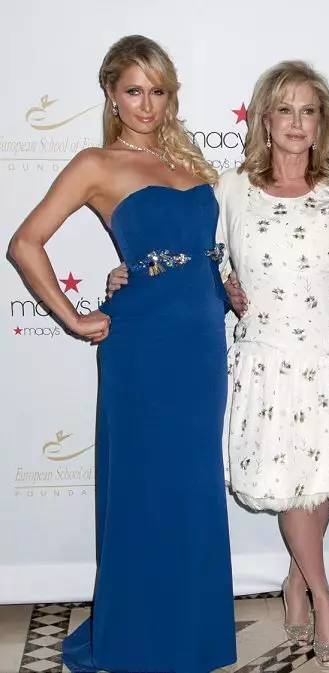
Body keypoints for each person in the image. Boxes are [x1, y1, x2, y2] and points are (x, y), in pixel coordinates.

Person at [109, 60, 329, 668]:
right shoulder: (231, 188)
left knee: (318, 481)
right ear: (264, 119)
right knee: (290, 484)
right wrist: (132, 271)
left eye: (308, 111)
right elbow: (191, 253)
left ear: (322, 123)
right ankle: (323, 596)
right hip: (266, 360)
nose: (296, 122)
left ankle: (296, 580)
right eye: (284, 109)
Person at [9, 35, 236, 673]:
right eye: (134, 90)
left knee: (191, 486)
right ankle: (140, 635)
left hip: (201, 345)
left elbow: (203, 251)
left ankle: (191, 632)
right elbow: (25, 243)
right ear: (111, 94)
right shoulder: (96, 164)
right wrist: (73, 317)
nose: (146, 104)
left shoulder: (192, 164)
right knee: (144, 487)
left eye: (158, 91)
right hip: (143, 350)